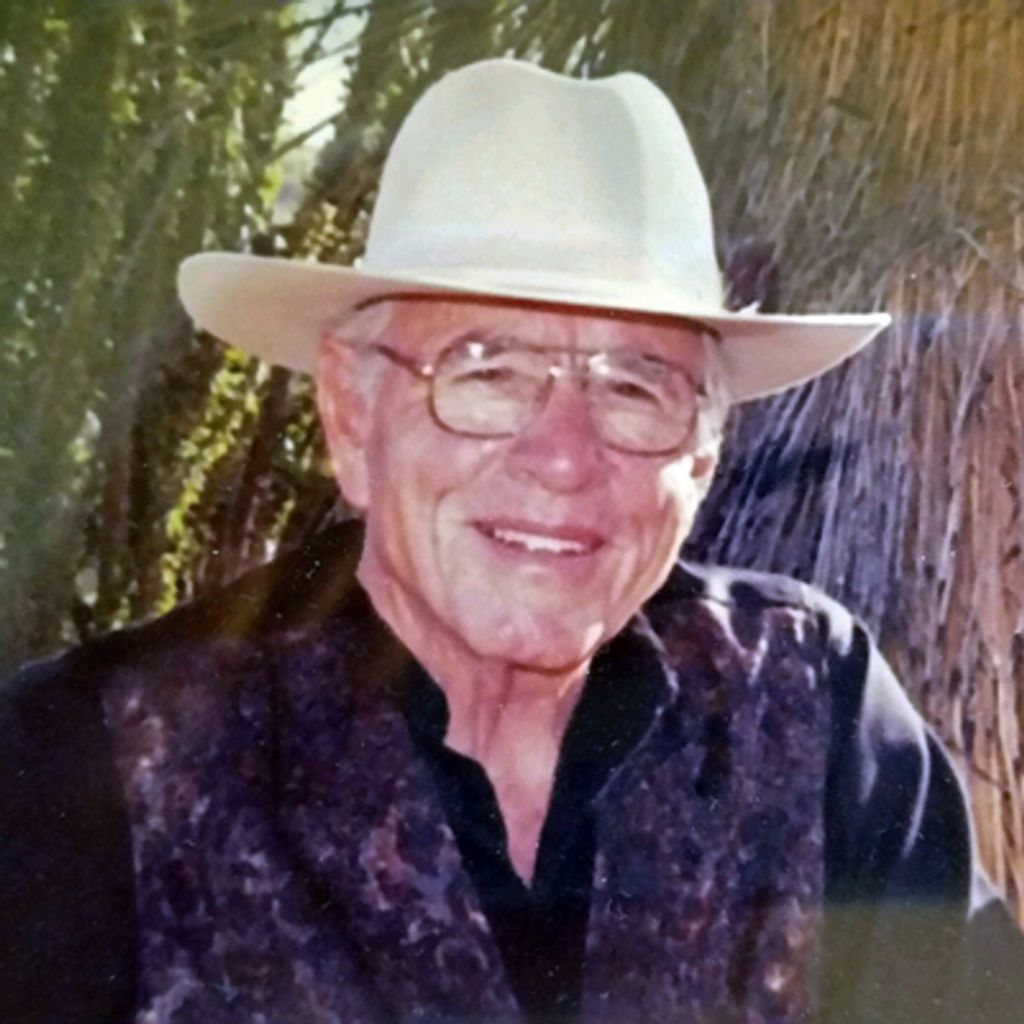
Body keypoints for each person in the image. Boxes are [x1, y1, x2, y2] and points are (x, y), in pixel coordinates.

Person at [1, 58, 1021, 1024]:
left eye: (636, 390)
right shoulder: (82, 769)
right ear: (350, 417)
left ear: (704, 454)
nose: (563, 458)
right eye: (485, 373)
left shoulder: (811, 705)